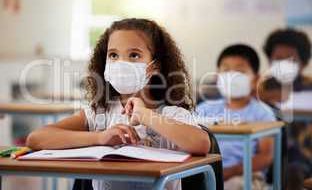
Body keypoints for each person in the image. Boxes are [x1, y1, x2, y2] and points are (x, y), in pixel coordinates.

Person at [26, 18, 210, 190]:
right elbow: (36, 138)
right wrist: (99, 138)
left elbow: (201, 143)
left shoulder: (171, 114)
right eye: (113, 55)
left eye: (134, 55)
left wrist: (145, 115)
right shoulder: (100, 114)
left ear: (155, 66)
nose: (121, 63)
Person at [197, 44, 276, 190]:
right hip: (206, 172)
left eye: (240, 71)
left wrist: (232, 171)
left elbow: (266, 156)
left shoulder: (263, 113)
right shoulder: (204, 109)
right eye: (226, 70)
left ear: (255, 79)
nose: (232, 76)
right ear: (217, 75)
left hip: (246, 175)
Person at [260, 28, 312, 190]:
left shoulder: (310, 86)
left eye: (290, 59)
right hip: (268, 154)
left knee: (294, 169)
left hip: (305, 155)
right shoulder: (259, 89)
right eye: (278, 58)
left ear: (303, 64)